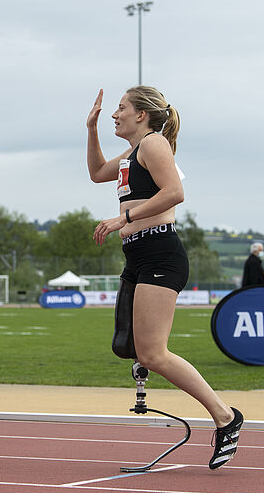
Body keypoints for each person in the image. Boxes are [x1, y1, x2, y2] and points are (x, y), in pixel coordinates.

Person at [86, 86, 243, 469]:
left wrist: (124, 218)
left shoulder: (154, 144)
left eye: (121, 108)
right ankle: (220, 414)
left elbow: (175, 193)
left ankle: (225, 417)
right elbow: (96, 174)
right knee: (138, 349)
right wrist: (90, 129)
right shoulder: (133, 152)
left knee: (154, 353)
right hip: (138, 256)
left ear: (142, 115)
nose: (114, 114)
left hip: (160, 253)